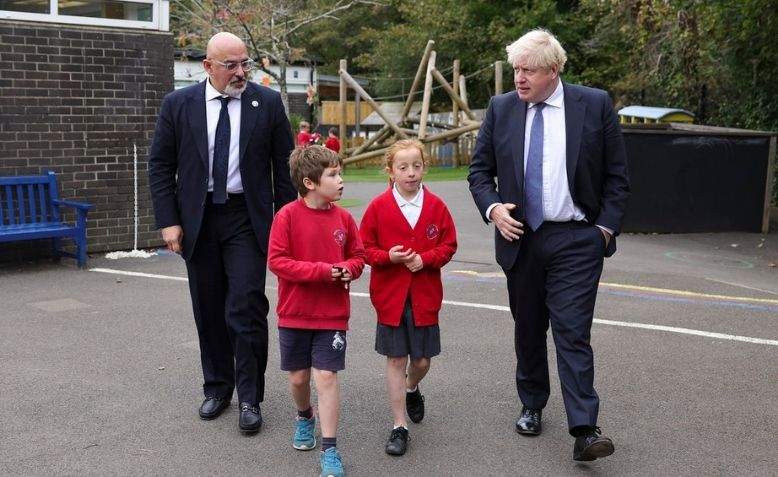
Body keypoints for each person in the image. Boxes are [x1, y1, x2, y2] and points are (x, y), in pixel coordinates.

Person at [467, 28, 630, 461]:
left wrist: (604, 231)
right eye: (516, 69)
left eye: (529, 71)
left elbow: (617, 177)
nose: (519, 78)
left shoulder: (593, 105)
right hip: (520, 236)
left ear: (553, 71)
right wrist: (493, 209)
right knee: (528, 327)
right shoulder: (501, 108)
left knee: (572, 331)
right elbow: (479, 172)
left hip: (577, 238)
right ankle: (532, 403)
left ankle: (585, 429)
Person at [148, 32, 297, 433]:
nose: (240, 72)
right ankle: (217, 387)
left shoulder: (265, 103)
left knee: (246, 305)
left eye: (244, 62)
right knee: (209, 307)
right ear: (208, 67)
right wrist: (169, 220)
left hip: (246, 217)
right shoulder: (178, 105)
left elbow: (285, 169)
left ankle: (251, 397)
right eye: (230, 65)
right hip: (197, 219)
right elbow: (160, 167)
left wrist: (287, 222)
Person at [267, 145, 365, 477]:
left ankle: (330, 450)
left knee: (326, 376)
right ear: (310, 182)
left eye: (340, 173)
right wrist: (324, 271)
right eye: (333, 175)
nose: (341, 180)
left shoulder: (345, 219)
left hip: (333, 315)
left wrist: (349, 269)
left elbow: (358, 257)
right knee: (298, 379)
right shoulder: (286, 217)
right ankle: (304, 415)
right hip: (294, 313)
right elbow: (277, 262)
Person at [360, 140, 457, 456]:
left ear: (424, 167)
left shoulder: (436, 207)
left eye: (416, 166)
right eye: (403, 167)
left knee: (421, 360)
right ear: (390, 171)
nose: (411, 173)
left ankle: (412, 386)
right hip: (390, 298)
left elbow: (448, 245)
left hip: (425, 297)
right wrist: (389, 256)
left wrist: (425, 260)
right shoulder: (378, 207)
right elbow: (365, 250)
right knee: (396, 359)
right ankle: (399, 425)